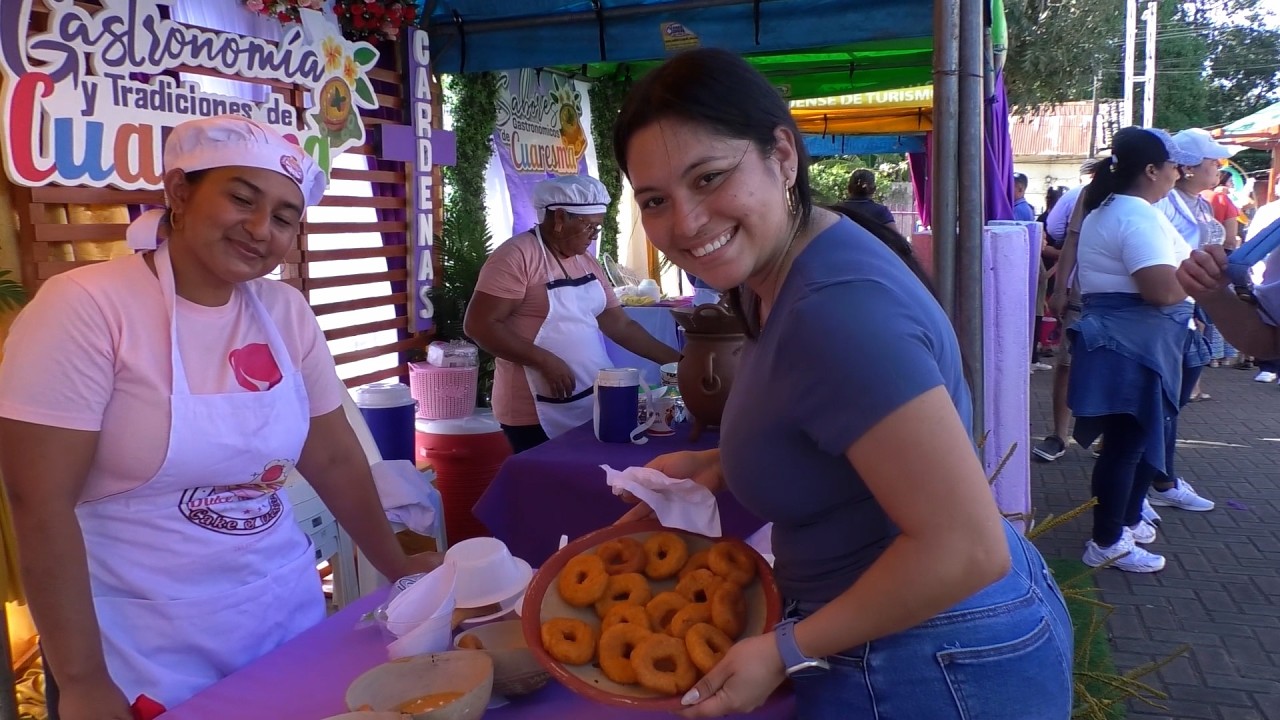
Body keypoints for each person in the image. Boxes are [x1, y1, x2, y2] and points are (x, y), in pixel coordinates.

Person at [612, 48, 1072, 719]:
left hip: (930, 665)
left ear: (783, 156)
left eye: (709, 177)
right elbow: (842, 426)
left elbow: (964, 547)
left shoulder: (833, 308)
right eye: (655, 200)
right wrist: (717, 463)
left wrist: (784, 649)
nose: (684, 222)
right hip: (933, 642)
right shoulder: (789, 265)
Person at [0, 116, 442, 718]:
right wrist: (80, 681)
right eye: (241, 198)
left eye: (285, 217)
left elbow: (334, 457)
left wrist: (398, 568)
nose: (261, 229)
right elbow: (39, 503)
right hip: (139, 644)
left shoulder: (285, 313)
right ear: (180, 192)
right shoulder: (87, 309)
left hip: (283, 618)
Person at [1068, 126, 1210, 574]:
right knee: (1127, 444)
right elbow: (1160, 290)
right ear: (1150, 170)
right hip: (1136, 343)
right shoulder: (1134, 215)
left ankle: (1123, 522)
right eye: (1172, 165)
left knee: (1132, 440)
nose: (1177, 172)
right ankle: (1107, 539)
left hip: (1132, 340)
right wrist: (1199, 282)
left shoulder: (1113, 209)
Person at [464, 175, 681, 453]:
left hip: (591, 398)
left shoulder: (585, 260)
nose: (595, 236)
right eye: (590, 226)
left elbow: (620, 325)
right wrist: (542, 360)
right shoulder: (516, 256)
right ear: (559, 218)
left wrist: (676, 363)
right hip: (534, 410)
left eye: (598, 227)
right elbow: (480, 326)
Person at [1155, 127, 1235, 396]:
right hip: (1165, 297)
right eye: (1213, 161)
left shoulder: (1203, 204)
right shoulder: (1163, 202)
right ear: (1189, 167)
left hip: (1189, 298)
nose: (1218, 167)